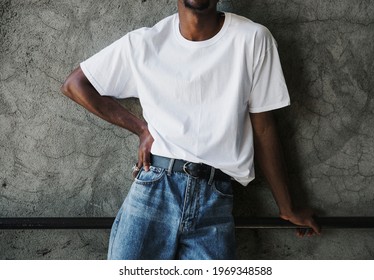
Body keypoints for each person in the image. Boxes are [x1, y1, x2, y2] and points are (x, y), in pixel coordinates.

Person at [61, 0, 320, 260]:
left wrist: (287, 207)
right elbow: (75, 85)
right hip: (154, 189)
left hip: (215, 196)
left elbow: (263, 128)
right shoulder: (144, 43)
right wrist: (141, 129)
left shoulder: (252, 39)